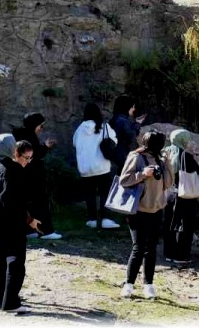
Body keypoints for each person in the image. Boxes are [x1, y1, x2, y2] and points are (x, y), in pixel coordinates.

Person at [0, 137, 41, 313]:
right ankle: (11, 303)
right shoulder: (11, 168)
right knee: (16, 262)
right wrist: (29, 220)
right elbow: (11, 200)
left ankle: (1, 300)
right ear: (9, 147)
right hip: (9, 224)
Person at [120, 131, 173, 299]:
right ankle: (128, 285)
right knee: (139, 247)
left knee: (151, 249)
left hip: (156, 209)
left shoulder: (161, 159)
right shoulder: (136, 157)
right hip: (138, 210)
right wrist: (143, 174)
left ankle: (148, 285)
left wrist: (169, 163)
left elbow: (169, 183)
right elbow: (124, 180)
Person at [12, 112, 61, 240]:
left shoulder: (20, 135)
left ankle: (30, 231)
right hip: (33, 176)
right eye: (40, 125)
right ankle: (46, 231)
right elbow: (34, 154)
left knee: (28, 204)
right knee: (40, 203)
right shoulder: (28, 137)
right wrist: (45, 146)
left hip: (23, 175)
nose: (41, 128)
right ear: (34, 124)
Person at [73, 102, 120, 230]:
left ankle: (92, 220)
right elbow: (114, 141)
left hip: (85, 168)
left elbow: (75, 144)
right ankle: (105, 218)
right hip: (102, 166)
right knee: (105, 192)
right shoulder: (104, 127)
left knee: (89, 194)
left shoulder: (79, 129)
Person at [162, 129, 199, 266]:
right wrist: (195, 158)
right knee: (185, 225)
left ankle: (168, 253)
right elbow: (196, 171)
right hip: (184, 194)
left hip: (168, 194)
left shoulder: (165, 152)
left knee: (169, 223)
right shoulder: (185, 155)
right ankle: (181, 256)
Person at [109, 95, 147, 171]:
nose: (134, 109)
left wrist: (136, 122)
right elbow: (131, 135)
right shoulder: (122, 121)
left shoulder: (116, 118)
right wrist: (138, 124)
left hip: (117, 155)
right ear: (126, 107)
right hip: (124, 156)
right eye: (132, 107)